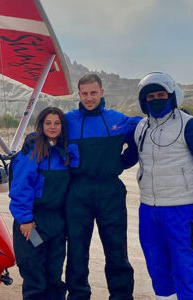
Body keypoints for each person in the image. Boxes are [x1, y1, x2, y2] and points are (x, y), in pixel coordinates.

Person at [64, 74, 140, 300]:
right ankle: (78, 295)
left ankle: (122, 296)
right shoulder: (68, 121)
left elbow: (138, 141)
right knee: (77, 251)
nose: (89, 98)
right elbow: (46, 134)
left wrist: (122, 163)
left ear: (101, 92)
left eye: (93, 93)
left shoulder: (118, 120)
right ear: (79, 95)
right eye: (84, 93)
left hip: (111, 193)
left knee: (117, 251)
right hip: (78, 192)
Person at [135, 72, 193, 300]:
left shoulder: (190, 126)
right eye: (150, 96)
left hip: (183, 209)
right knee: (157, 264)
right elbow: (127, 157)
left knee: (186, 266)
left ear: (171, 96)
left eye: (161, 94)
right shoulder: (141, 128)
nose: (156, 99)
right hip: (149, 210)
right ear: (144, 101)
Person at [9, 106, 78, 300]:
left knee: (54, 275)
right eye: (48, 123)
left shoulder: (65, 153)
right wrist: (25, 220)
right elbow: (21, 187)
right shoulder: (31, 152)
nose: (53, 127)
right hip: (34, 225)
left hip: (56, 224)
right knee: (35, 276)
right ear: (41, 125)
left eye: (57, 123)